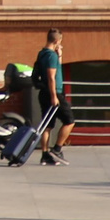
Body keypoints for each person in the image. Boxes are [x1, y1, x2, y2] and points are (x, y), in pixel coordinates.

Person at [31, 29, 72, 166]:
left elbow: (56, 69)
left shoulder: (42, 53)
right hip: (53, 93)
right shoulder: (51, 56)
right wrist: (54, 96)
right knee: (69, 121)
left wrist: (60, 56)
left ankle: (45, 155)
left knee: (47, 125)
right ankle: (57, 149)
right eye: (60, 41)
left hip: (43, 93)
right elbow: (51, 77)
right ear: (56, 41)